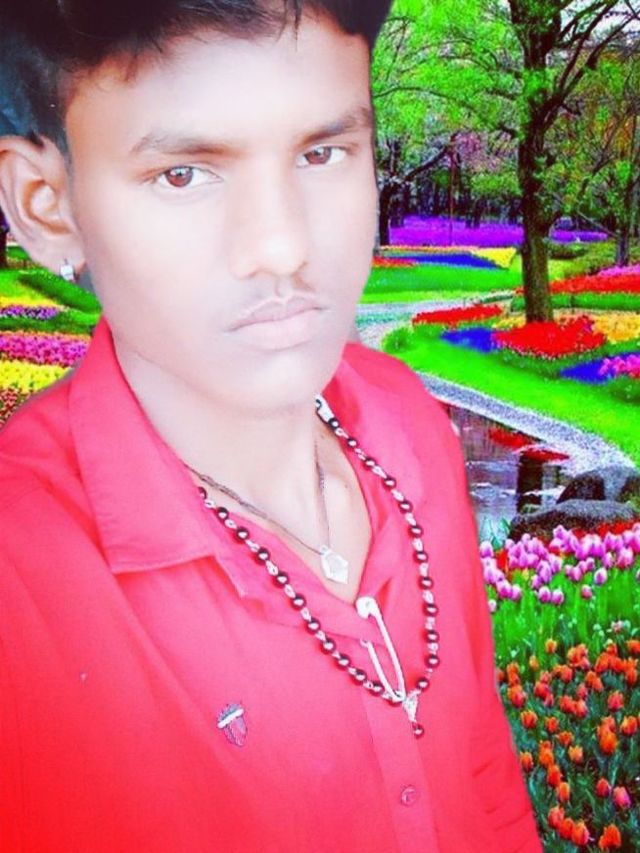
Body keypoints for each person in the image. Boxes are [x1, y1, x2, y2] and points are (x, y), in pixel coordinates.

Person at [0, 2, 543, 851]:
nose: (283, 247)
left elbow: (485, 785)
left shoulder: (407, 420)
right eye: (184, 174)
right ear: (46, 205)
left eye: (323, 154)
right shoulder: (24, 579)